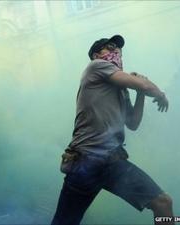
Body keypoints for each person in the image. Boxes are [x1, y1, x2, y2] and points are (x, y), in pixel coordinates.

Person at [52, 35, 173, 225]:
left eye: (118, 49)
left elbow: (132, 123)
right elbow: (144, 84)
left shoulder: (121, 88)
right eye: (110, 47)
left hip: (111, 161)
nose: (116, 51)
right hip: (86, 161)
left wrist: (140, 93)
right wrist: (160, 94)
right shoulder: (96, 66)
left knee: (163, 203)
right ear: (96, 55)